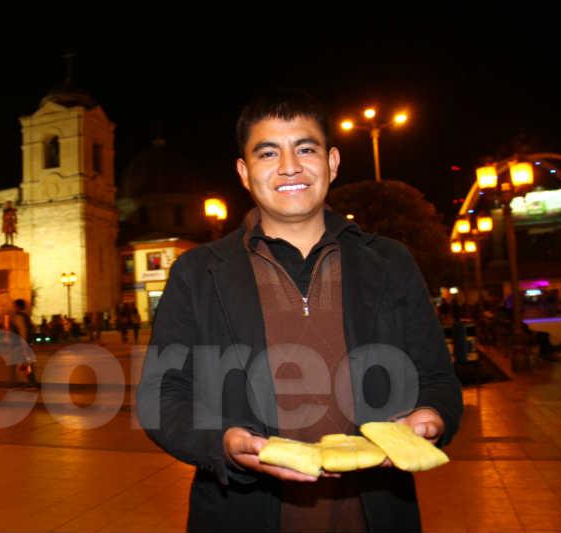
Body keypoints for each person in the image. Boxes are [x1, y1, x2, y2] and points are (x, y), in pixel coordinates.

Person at [137, 89, 463, 532]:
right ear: (244, 173)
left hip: (376, 512)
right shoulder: (198, 273)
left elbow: (438, 378)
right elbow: (162, 396)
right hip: (242, 514)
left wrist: (432, 415)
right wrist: (224, 445)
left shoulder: (389, 261)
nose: (289, 166)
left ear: (331, 162)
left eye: (304, 149)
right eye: (268, 152)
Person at [10, 299, 39, 386]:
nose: (13, 308)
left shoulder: (18, 316)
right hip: (24, 343)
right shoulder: (26, 316)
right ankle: (30, 380)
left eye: (14, 306)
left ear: (18, 306)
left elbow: (23, 330)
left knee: (18, 363)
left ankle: (28, 381)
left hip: (20, 344)